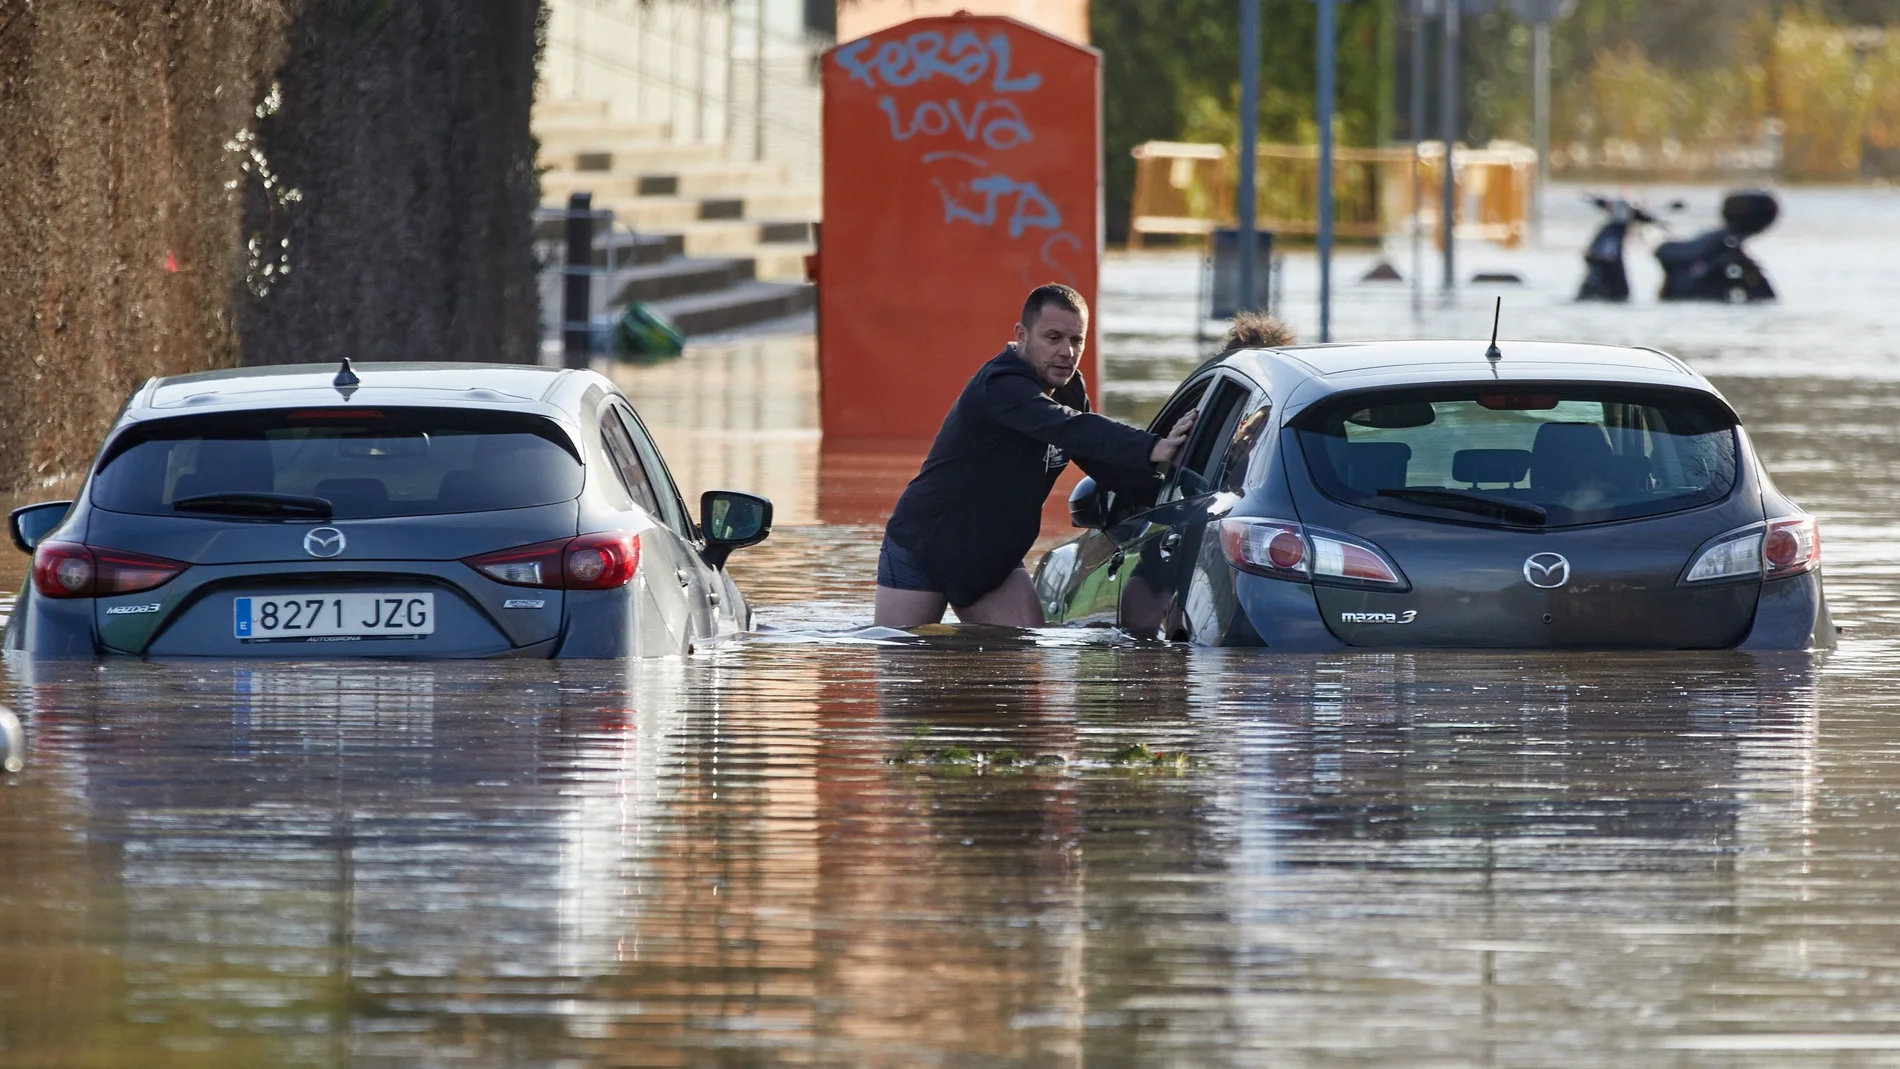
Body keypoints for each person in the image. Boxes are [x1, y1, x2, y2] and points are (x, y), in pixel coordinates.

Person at [875, 283, 1197, 628]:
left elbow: (1101, 461)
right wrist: (1153, 446)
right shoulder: (999, 386)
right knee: (905, 665)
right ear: (1022, 335)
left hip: (992, 560)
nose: (1067, 352)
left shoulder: (1069, 387)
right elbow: (1068, 427)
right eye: (1053, 338)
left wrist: (1174, 489)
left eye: (1077, 341)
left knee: (1023, 662)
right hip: (925, 546)